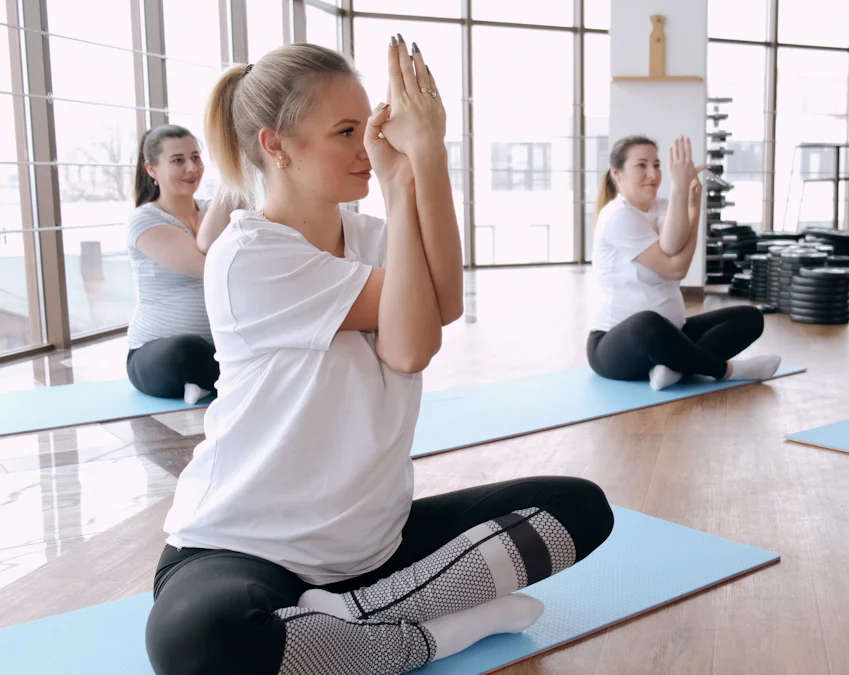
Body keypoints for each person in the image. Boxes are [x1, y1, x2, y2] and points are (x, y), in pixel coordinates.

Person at [144, 39, 613, 675]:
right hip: (242, 549)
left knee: (580, 509)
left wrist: (430, 154)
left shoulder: (367, 237)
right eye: (344, 131)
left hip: (372, 548)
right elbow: (413, 344)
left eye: (369, 126)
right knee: (202, 643)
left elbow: (441, 302)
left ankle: (342, 628)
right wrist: (398, 189)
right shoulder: (249, 256)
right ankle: (433, 632)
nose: (368, 145)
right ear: (276, 146)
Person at [587, 134, 782, 391]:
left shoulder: (663, 206)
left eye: (656, 165)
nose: (653, 173)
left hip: (673, 334)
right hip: (617, 345)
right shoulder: (617, 216)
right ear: (617, 174)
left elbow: (670, 246)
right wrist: (680, 191)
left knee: (750, 317)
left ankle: (673, 368)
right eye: (641, 165)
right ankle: (728, 371)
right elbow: (675, 268)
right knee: (648, 322)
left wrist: (693, 208)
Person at [127, 125, 233, 403]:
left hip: (220, 347)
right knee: (185, 349)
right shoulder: (146, 220)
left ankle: (204, 382)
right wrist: (231, 182)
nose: (192, 168)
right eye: (178, 160)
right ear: (152, 170)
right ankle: (207, 379)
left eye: (196, 157)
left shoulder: (213, 211)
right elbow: (208, 268)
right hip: (159, 354)